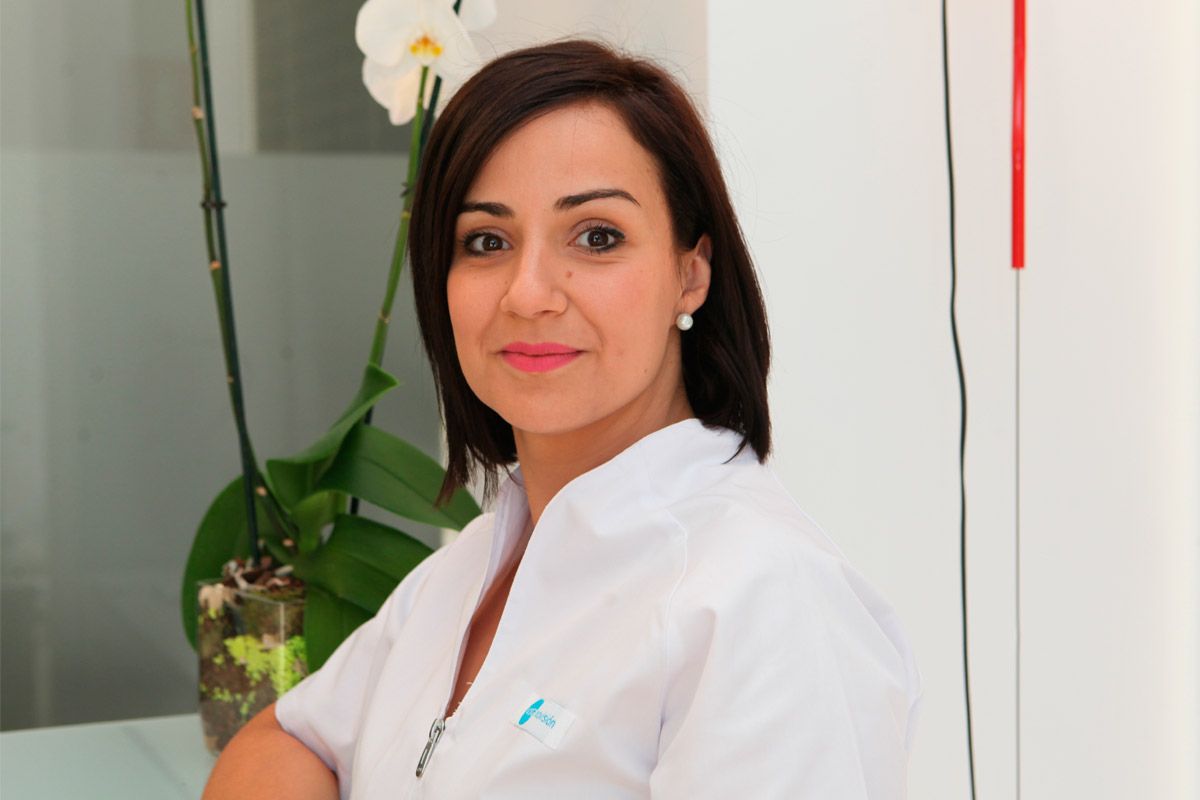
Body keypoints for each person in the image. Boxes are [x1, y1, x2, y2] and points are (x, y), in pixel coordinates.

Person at [202, 39, 922, 799]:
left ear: (690, 274)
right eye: (487, 241)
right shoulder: (465, 569)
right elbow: (287, 738)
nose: (528, 293)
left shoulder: (762, 602)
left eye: (597, 237)